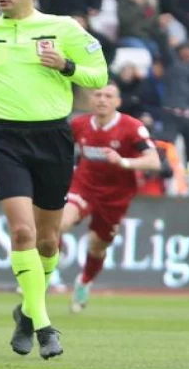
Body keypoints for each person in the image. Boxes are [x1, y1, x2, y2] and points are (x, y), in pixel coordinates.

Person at [0, 0, 108, 360]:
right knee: (21, 233)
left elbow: (99, 75)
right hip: (5, 138)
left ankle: (26, 313)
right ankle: (44, 326)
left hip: (54, 137)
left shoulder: (64, 29)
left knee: (47, 239)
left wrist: (67, 66)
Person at [63, 83, 160, 312]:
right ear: (91, 100)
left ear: (117, 102)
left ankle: (84, 282)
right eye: (98, 95)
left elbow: (154, 162)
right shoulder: (79, 124)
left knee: (97, 247)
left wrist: (123, 161)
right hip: (84, 186)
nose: (102, 99)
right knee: (60, 224)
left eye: (108, 96)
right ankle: (45, 275)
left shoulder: (131, 127)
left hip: (116, 194)